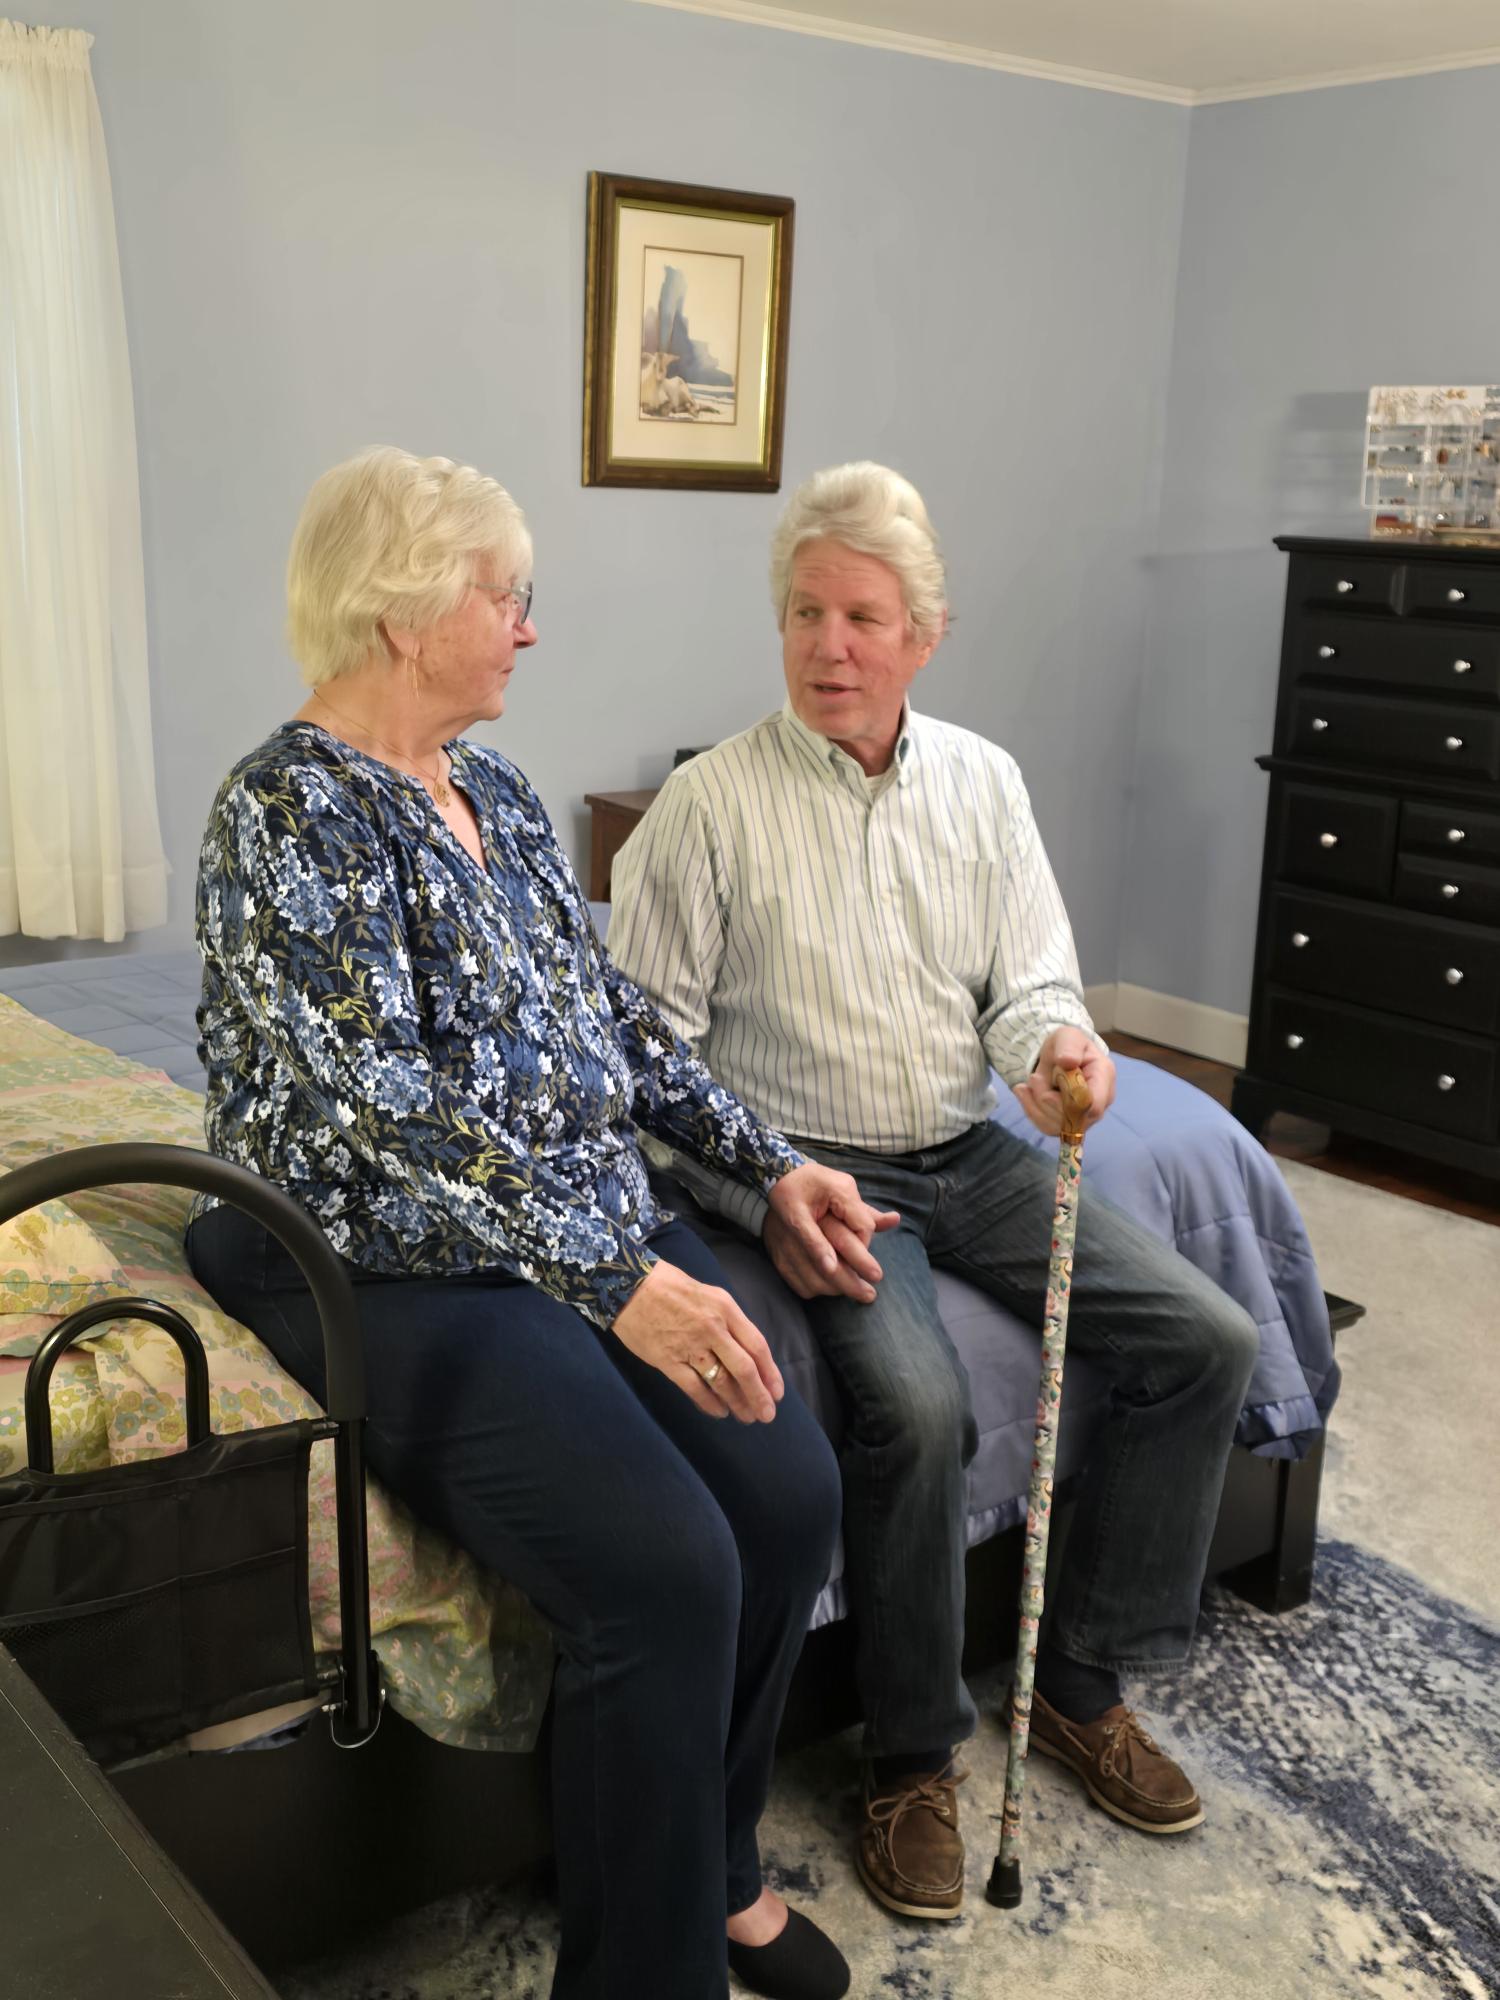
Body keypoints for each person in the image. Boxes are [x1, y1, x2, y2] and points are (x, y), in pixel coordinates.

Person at [185, 446, 880, 2000]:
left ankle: (695, 1866)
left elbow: (609, 1025)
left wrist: (767, 1166)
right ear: (405, 611)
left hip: (563, 1224)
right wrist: (615, 1276)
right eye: (510, 597)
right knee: (663, 1564)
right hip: (373, 1251)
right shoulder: (284, 817)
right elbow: (386, 1113)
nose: (529, 629)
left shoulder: (491, 785)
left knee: (784, 1498)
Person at [608, 461, 1262, 1923]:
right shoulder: (707, 808)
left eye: (862, 617)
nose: (829, 646)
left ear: (926, 633)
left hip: (966, 1150)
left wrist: (1060, 1059)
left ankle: (1079, 1680)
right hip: (811, 1175)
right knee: (913, 1404)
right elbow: (640, 1053)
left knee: (1206, 1339)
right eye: (803, 613)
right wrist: (763, 1187)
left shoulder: (985, 782)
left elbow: (1029, 984)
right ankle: (910, 1754)